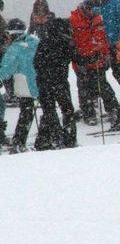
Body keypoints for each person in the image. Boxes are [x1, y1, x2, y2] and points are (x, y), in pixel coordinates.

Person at [70, 0, 119, 125]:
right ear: (86, 8)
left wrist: (106, 55)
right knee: (84, 88)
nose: (95, 13)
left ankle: (113, 109)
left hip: (97, 60)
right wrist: (77, 58)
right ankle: (89, 113)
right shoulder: (74, 20)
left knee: (103, 85)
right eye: (93, 10)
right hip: (81, 61)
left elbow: (103, 39)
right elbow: (70, 43)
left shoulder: (98, 19)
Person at [33, 18, 76, 150]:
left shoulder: (43, 43)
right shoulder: (66, 43)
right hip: (60, 82)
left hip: (43, 82)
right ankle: (67, 139)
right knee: (67, 110)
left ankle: (44, 140)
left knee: (49, 111)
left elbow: (36, 63)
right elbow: (76, 58)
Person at [0, 19, 39, 153]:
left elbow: (6, 70)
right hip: (38, 82)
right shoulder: (35, 43)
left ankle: (19, 142)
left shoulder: (14, 49)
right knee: (42, 110)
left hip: (23, 85)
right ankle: (49, 136)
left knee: (26, 112)